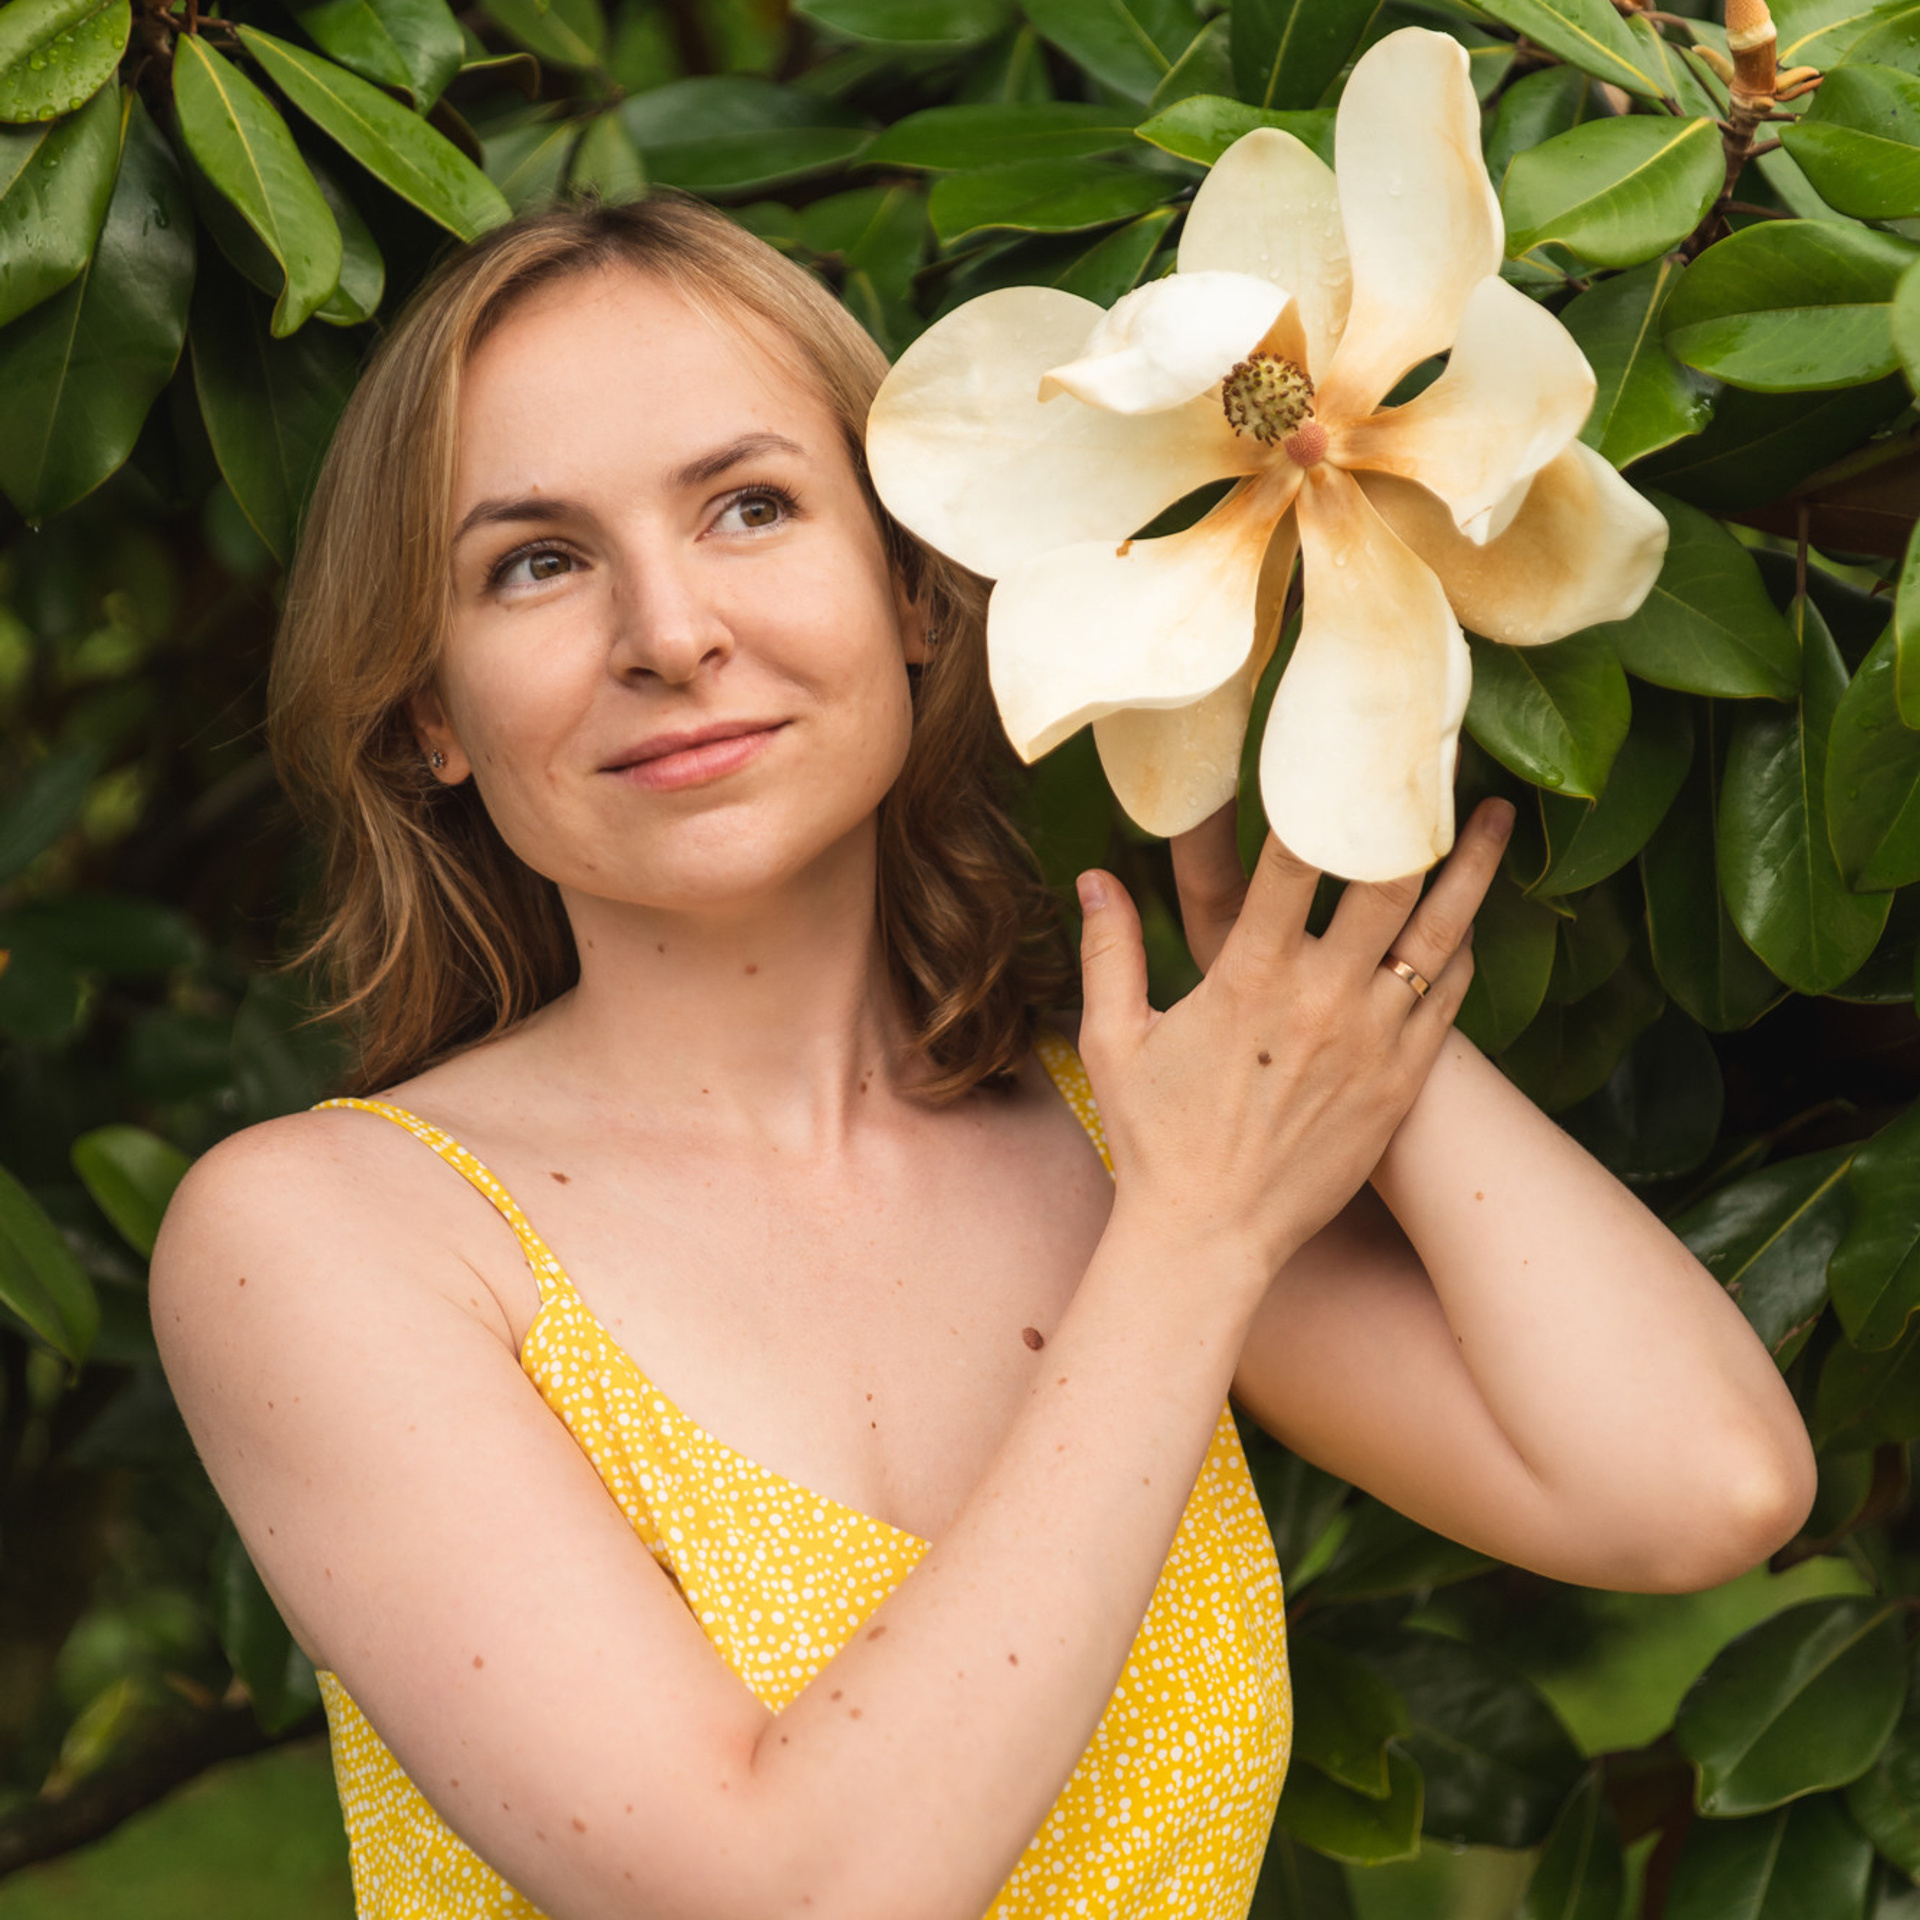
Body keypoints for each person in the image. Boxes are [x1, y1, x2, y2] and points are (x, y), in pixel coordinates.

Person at [151, 193, 1816, 1920]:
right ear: (431, 710)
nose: (670, 631)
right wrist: (1196, 1241)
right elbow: (784, 1897)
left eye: (750, 507)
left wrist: (1297, 925)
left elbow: (1700, 1488)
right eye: (537, 562)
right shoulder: (323, 1238)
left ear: (922, 596)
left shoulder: (1131, 1141)